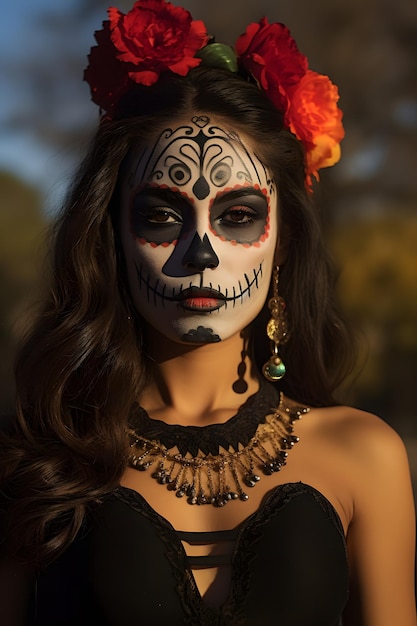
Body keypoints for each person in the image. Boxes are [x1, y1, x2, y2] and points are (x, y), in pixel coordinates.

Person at [0, 1, 415, 624]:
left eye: (238, 215)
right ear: (110, 233)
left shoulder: (363, 454)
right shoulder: (38, 457)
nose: (200, 253)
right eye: (162, 217)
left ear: (285, 239)